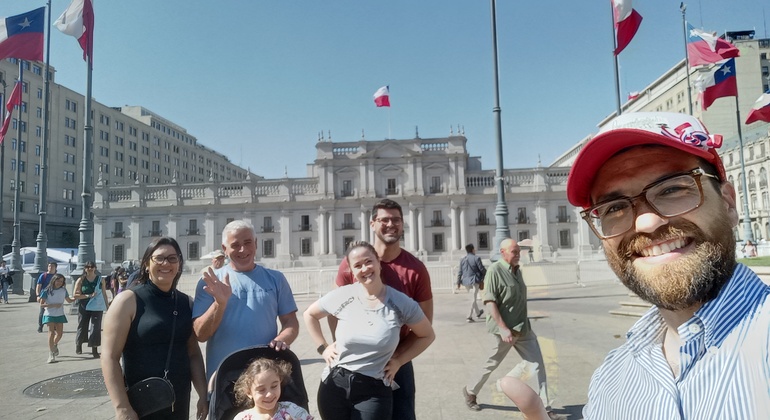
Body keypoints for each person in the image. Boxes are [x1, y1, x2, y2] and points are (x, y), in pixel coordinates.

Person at [565, 111, 770, 418]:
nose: (646, 222)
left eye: (672, 189)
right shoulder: (609, 380)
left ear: (728, 203)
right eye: (615, 207)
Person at [305, 241, 435, 420]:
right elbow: (309, 315)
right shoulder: (344, 294)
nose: (364, 268)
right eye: (357, 265)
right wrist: (323, 348)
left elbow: (427, 335)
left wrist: (399, 361)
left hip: (374, 389)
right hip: (335, 385)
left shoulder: (401, 302)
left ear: (378, 263)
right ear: (352, 271)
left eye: (368, 262)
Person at [330, 198, 433, 420]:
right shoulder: (351, 265)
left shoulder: (416, 269)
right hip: (356, 364)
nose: (391, 224)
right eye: (384, 219)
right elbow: (333, 311)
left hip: (396, 362)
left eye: (396, 220)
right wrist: (334, 346)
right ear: (372, 224)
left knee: (402, 416)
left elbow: (425, 324)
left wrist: (398, 359)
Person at [101, 237, 208, 420]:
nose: (166, 263)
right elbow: (109, 357)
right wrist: (122, 407)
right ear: (146, 263)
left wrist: (203, 395)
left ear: (179, 264)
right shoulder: (127, 301)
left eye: (172, 258)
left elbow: (193, 354)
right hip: (141, 403)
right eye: (159, 258)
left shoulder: (186, 303)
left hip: (178, 400)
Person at [463, 239, 562, 420]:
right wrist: (503, 328)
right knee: (490, 363)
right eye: (514, 251)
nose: (518, 254)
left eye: (518, 251)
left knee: (538, 365)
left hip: (523, 328)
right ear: (502, 252)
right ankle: (470, 391)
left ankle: (545, 408)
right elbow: (489, 302)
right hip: (503, 330)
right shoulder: (495, 271)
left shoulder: (517, 271)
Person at [193, 220, 300, 381]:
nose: (242, 250)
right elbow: (200, 334)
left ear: (256, 244)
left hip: (266, 378)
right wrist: (219, 304)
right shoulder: (210, 282)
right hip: (224, 379)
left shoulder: (276, 279)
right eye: (235, 245)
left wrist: (281, 340)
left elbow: (291, 322)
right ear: (224, 249)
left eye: (248, 242)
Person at [232, 357, 313, 420]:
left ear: (280, 382)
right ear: (249, 392)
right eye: (261, 390)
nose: (269, 394)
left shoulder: (292, 410)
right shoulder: (242, 418)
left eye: (274, 386)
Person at [73, 261, 109, 358]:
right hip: (84, 306)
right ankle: (79, 344)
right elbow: (75, 295)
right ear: (85, 268)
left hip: (97, 306)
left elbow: (104, 294)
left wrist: (107, 308)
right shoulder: (81, 280)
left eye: (92, 267)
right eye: (88, 267)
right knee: (82, 325)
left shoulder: (100, 280)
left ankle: (94, 348)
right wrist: (88, 295)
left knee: (95, 327)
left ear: (95, 268)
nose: (90, 268)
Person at [40, 273, 75, 363]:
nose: (59, 283)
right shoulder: (46, 290)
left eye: (61, 281)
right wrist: (52, 305)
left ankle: (54, 344)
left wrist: (77, 297)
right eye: (58, 280)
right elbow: (41, 304)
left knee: (59, 334)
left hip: (60, 314)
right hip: (49, 314)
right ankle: (51, 353)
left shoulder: (63, 290)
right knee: (51, 333)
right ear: (54, 280)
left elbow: (69, 300)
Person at [457, 243, 486, 322]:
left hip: (466, 281)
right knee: (473, 298)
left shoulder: (463, 259)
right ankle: (469, 316)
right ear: (472, 249)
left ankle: (478, 312)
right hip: (474, 281)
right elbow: (481, 269)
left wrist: (458, 282)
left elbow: (460, 271)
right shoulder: (476, 258)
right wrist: (486, 274)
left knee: (472, 297)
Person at [36, 262, 58, 333]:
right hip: (44, 296)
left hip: (54, 296)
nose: (50, 267)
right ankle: (40, 326)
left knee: (54, 312)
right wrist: (38, 295)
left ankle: (54, 326)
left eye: (52, 266)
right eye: (49, 266)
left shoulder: (57, 276)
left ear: (55, 268)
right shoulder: (43, 275)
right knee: (42, 312)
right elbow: (38, 286)